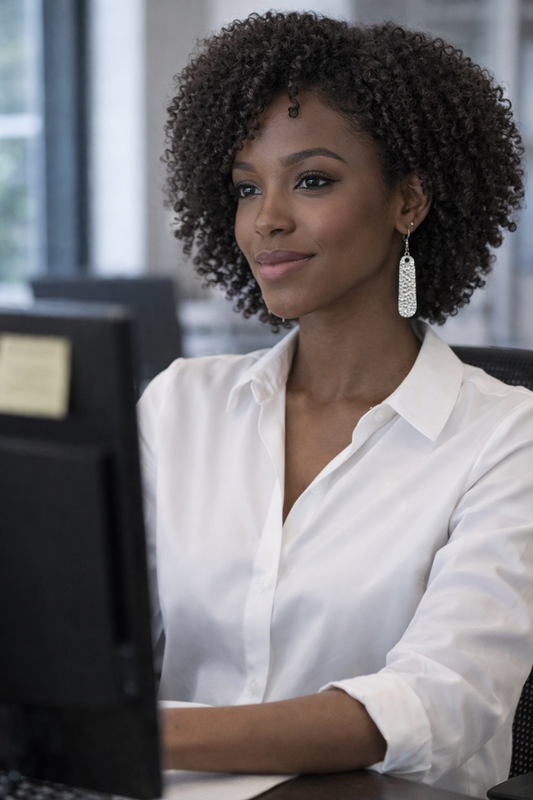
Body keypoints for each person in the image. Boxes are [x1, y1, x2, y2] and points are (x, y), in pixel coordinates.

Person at [137, 13, 533, 798]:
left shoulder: (505, 440)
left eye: (311, 180)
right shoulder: (181, 404)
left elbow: (434, 703)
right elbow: (85, 639)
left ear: (408, 201)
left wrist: (139, 736)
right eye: (246, 187)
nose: (266, 219)